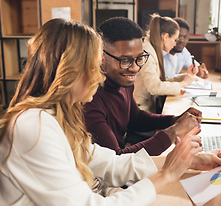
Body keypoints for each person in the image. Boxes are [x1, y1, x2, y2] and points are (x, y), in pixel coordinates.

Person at [0, 18, 221, 206]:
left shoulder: (58, 117)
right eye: (94, 67)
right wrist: (165, 175)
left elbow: (110, 163)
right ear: (69, 71)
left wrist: (186, 162)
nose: (99, 76)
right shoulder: (33, 127)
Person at [85, 17, 201, 156]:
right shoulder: (90, 97)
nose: (135, 68)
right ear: (101, 57)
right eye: (125, 60)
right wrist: (173, 131)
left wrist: (174, 120)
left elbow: (136, 118)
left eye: (139, 58)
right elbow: (117, 159)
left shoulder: (122, 82)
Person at [133, 14, 198, 113]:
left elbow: (160, 81)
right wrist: (184, 83)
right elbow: (154, 87)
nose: (175, 44)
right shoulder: (148, 53)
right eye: (175, 39)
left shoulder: (152, 49)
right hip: (140, 111)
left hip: (148, 107)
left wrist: (185, 77)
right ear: (165, 37)